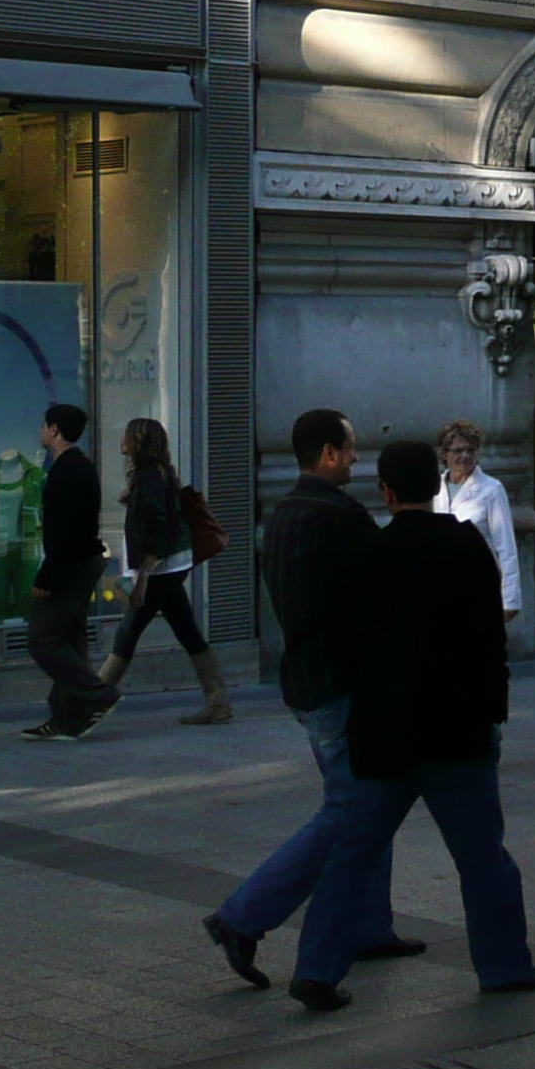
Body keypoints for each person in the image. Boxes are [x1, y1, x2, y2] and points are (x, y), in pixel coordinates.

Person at [291, 440, 535, 1012]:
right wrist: (491, 712)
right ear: (433, 486)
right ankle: (504, 964)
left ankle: (316, 966)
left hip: (386, 732)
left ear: (385, 492)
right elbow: (491, 637)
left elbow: (345, 646)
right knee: (483, 857)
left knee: (352, 853)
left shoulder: (369, 554)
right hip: (457, 729)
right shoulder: (464, 546)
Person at [204, 408, 416, 993]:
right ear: (327, 453)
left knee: (364, 799)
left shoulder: (287, 512)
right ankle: (242, 917)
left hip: (306, 683)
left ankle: (371, 926)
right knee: (353, 811)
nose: (356, 459)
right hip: (339, 689)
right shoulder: (340, 516)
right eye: (349, 450)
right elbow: (381, 600)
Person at [95, 417, 230, 724]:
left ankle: (90, 703)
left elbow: (156, 531)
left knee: (127, 633)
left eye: (127, 434)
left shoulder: (150, 480)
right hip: (167, 566)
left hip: (159, 569)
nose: (122, 438)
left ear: (139, 442)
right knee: (185, 631)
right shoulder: (156, 475)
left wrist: (141, 581)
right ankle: (218, 700)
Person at [18, 403, 118, 741]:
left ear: (55, 430)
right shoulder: (78, 467)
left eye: (44, 425)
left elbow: (66, 530)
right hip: (79, 562)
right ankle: (67, 718)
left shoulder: (67, 471)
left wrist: (47, 576)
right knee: (70, 640)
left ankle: (98, 694)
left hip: (70, 566)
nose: (41, 431)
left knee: (42, 639)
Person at [431, 420, 521, 628]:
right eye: (458, 450)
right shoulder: (435, 489)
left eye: (470, 450)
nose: (465, 456)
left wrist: (510, 599)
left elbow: (505, 546)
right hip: (441, 586)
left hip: (478, 584)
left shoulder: (491, 489)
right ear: (444, 454)